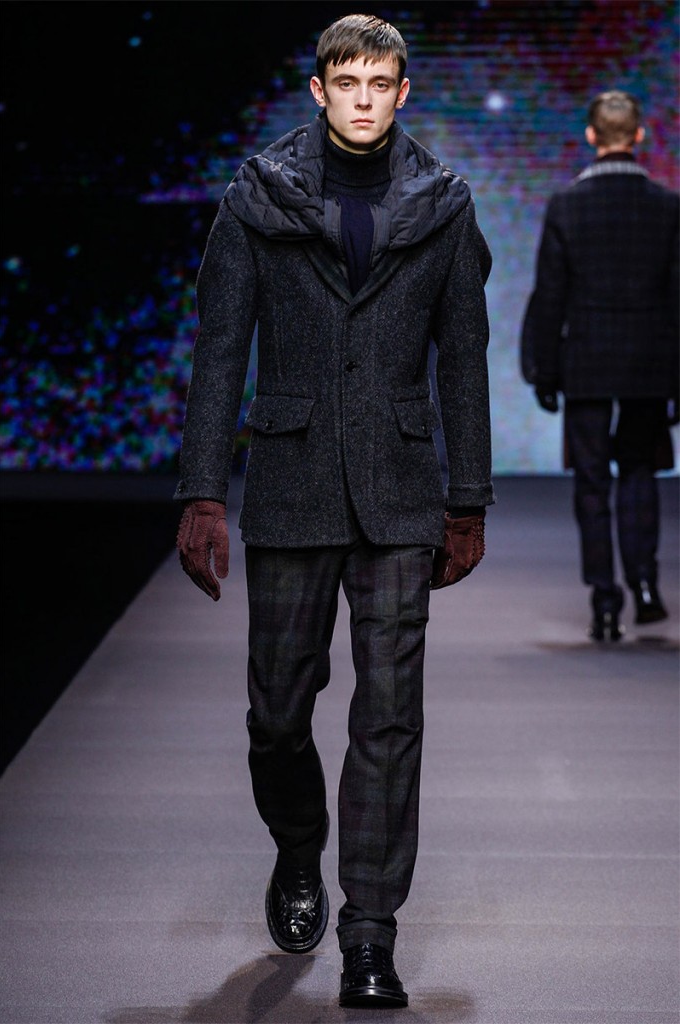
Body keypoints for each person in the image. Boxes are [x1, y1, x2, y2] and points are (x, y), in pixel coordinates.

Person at [175, 13, 493, 1008]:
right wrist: (202, 490)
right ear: (318, 90)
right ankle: (298, 845)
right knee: (277, 711)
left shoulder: (445, 204)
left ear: (402, 92)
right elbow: (220, 348)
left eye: (379, 83)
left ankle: (369, 932)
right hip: (291, 480)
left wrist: (468, 499)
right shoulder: (257, 196)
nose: (363, 99)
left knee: (390, 715)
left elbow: (465, 356)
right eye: (346, 82)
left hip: (400, 489)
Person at [521, 90, 678, 642]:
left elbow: (550, 296)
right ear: (638, 136)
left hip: (586, 361)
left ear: (591, 136)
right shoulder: (667, 207)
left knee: (591, 482)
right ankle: (645, 585)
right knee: (638, 471)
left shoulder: (567, 206)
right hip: (648, 363)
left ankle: (604, 602)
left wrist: (542, 370)